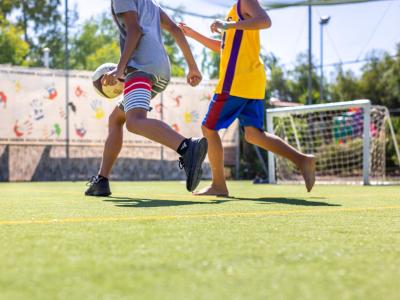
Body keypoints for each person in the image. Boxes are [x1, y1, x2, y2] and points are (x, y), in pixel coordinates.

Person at [179, 0, 316, 196]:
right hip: (252, 81)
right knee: (253, 134)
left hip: (236, 82)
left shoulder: (245, 2)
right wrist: (194, 34)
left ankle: (219, 184)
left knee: (208, 128)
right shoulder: (235, 10)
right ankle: (302, 160)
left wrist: (228, 25)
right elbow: (224, 48)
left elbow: (266, 21)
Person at [85, 0, 208, 196]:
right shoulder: (148, 3)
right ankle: (102, 180)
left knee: (134, 122)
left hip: (142, 69)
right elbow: (175, 29)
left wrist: (120, 68)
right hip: (160, 70)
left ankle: (187, 147)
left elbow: (135, 31)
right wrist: (192, 66)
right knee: (116, 118)